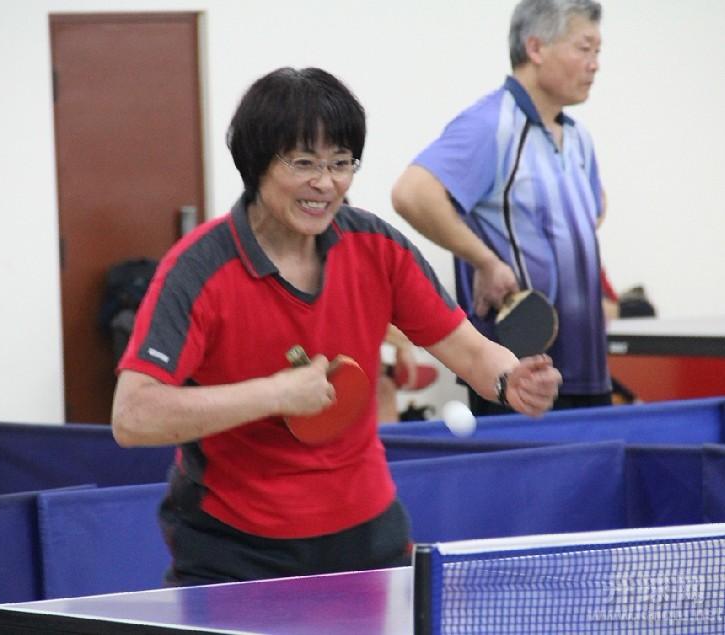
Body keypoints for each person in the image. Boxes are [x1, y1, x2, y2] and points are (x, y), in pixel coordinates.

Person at [111, 67, 562, 587]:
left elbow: (471, 352)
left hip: (366, 540)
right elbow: (134, 416)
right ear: (257, 163)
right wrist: (275, 394)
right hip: (234, 552)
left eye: (341, 163)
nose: (325, 183)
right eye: (304, 163)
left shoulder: (378, 248)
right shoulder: (198, 270)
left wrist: (510, 379)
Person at [392, 0, 611, 416]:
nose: (595, 64)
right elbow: (413, 193)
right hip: (518, 374)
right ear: (536, 48)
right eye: (584, 48)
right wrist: (486, 261)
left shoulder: (578, 138)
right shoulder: (492, 124)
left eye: (598, 51)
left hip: (588, 366)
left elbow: (594, 211)